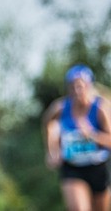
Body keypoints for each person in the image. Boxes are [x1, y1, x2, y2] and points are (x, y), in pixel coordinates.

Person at [43, 65, 111, 211]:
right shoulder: (60, 108)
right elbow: (48, 124)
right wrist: (52, 151)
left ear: (89, 86)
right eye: (72, 87)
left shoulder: (100, 108)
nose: (76, 91)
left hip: (97, 166)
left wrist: (92, 136)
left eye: (80, 86)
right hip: (72, 167)